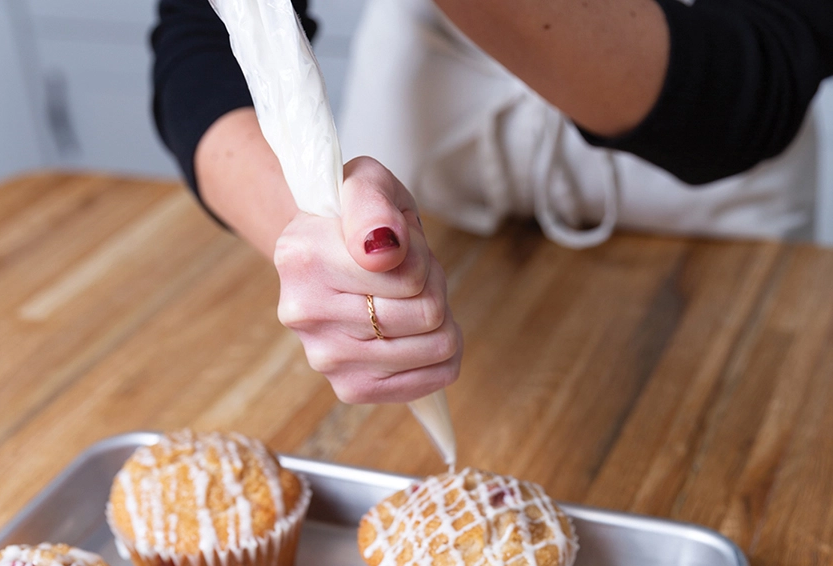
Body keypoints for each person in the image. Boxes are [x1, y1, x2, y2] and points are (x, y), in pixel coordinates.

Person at [151, 0, 833, 405]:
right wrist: (318, 232)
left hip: (713, 219)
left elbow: (757, 82)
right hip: (424, 185)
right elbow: (201, 36)